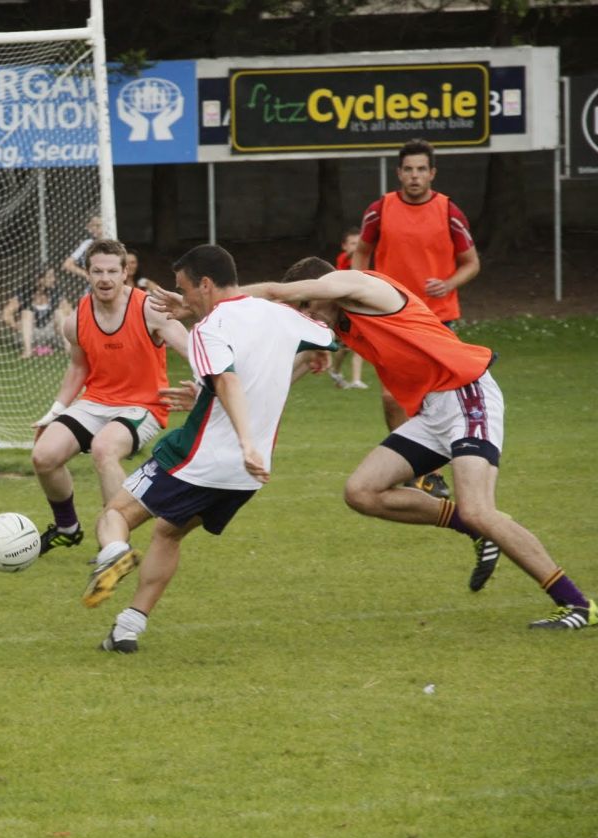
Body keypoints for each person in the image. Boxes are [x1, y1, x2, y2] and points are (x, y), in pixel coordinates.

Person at [244, 257, 594, 630]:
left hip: (466, 395)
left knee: (480, 509)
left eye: (307, 305)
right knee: (362, 492)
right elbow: (291, 368)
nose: (306, 314)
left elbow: (273, 293)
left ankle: (577, 605)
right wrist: (228, 400)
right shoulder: (338, 323)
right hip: (433, 412)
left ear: (324, 287)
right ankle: (474, 528)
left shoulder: (361, 287)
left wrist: (211, 299)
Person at [82, 244, 337, 653]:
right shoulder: (286, 319)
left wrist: (244, 440)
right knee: (168, 533)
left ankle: (114, 554)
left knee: (115, 515)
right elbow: (312, 343)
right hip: (246, 477)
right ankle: (126, 631)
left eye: (184, 290)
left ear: (204, 284)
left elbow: (231, 382)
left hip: (198, 459)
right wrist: (308, 361)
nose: (182, 302)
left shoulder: (210, 328)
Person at [31, 238, 189, 557]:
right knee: (43, 455)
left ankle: (115, 546)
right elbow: (78, 368)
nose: (104, 278)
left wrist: (204, 383)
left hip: (143, 405)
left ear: (124, 273)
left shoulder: (150, 309)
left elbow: (192, 351)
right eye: (97, 271)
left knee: (104, 449)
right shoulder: (76, 319)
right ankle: (67, 528)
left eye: (112, 271)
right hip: (96, 402)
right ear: (87, 274)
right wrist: (56, 411)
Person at [352, 139, 479, 497]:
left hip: (437, 320)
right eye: (408, 169)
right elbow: (361, 253)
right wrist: (361, 290)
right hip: (390, 321)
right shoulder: (380, 210)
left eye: (421, 169)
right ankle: (420, 470)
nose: (414, 176)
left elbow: (472, 263)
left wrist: (449, 282)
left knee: (440, 399)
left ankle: (440, 468)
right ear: (398, 173)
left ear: (432, 173)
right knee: (392, 399)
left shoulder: (449, 211)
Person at [1, 266, 72, 358]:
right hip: (29, 335)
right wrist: (15, 326)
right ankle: (27, 351)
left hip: (50, 335)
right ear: (40, 280)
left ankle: (68, 349)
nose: (53, 279)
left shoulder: (55, 292)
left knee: (60, 312)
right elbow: (6, 314)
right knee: (27, 312)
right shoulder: (24, 293)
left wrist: (59, 323)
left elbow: (70, 313)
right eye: (50, 277)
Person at [328, 227, 367, 390]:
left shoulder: (363, 260)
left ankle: (356, 380)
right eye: (353, 243)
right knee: (344, 347)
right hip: (344, 307)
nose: (356, 247)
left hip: (359, 305)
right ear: (344, 246)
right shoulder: (343, 259)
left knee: (361, 342)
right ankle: (335, 370)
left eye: (359, 243)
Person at [61, 214, 105, 285]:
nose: (94, 229)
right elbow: (67, 264)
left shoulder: (113, 241)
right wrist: (87, 275)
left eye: (98, 226)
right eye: (92, 226)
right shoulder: (87, 244)